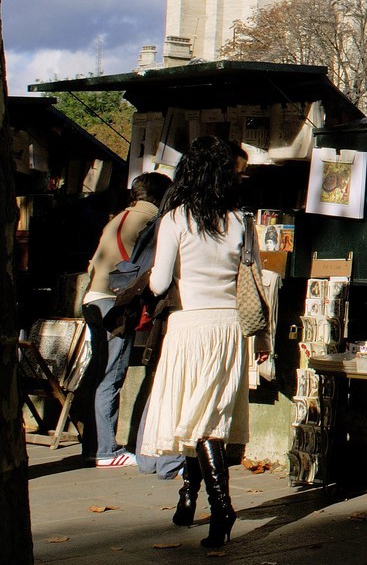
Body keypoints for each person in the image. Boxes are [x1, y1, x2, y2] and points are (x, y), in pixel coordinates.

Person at [138, 136, 252, 548]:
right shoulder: (239, 219)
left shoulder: (175, 219)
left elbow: (160, 282)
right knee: (205, 416)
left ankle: (221, 506)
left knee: (197, 418)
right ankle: (188, 497)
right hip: (229, 327)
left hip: (190, 327)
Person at [81, 172, 171, 467]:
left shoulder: (118, 217)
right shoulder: (154, 220)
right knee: (112, 376)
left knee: (98, 374)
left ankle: (94, 446)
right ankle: (107, 451)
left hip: (92, 298)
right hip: (114, 303)